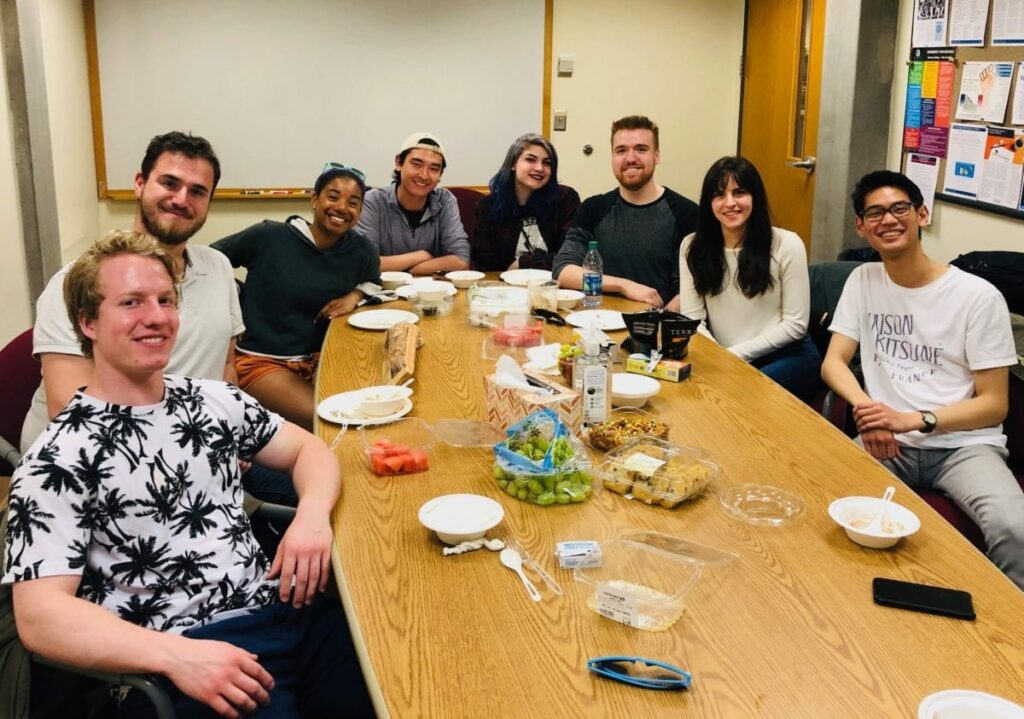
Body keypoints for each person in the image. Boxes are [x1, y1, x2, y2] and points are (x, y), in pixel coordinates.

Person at [2, 231, 373, 717]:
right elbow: (41, 618)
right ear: (88, 322)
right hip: (187, 653)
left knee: (404, 681)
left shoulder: (210, 401)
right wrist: (177, 657)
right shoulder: (58, 458)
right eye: (131, 302)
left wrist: (311, 517)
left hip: (285, 613)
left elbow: (311, 451)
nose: (155, 316)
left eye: (164, 300)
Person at [20, 131, 295, 506]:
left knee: (326, 492)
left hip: (196, 444)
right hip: (95, 475)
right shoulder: (76, 283)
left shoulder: (216, 268)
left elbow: (227, 366)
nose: (181, 199)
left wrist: (227, 432)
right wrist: (201, 448)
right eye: (169, 182)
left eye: (198, 191)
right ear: (139, 184)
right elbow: (72, 413)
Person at [822, 170, 1024, 590]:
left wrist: (913, 419)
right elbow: (834, 364)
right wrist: (871, 412)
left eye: (899, 208)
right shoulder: (863, 280)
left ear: (922, 215)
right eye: (874, 213)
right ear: (861, 226)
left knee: (1016, 528)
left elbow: (994, 404)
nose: (888, 220)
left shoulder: (977, 297)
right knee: (823, 498)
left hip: (963, 446)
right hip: (887, 441)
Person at [213, 163, 380, 432]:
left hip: (320, 357)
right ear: (314, 200)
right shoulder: (269, 236)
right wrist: (236, 305)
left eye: (353, 202)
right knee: (331, 420)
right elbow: (209, 262)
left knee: (375, 403)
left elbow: (374, 282)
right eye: (333, 196)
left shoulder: (362, 250)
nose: (341, 208)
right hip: (262, 360)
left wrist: (355, 294)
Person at [679, 156, 819, 400]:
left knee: (733, 397)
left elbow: (795, 326)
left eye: (740, 192)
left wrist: (731, 357)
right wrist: (720, 357)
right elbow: (693, 318)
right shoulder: (692, 246)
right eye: (719, 195)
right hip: (725, 355)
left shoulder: (787, 244)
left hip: (787, 355)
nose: (729, 203)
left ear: (755, 197)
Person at [551, 115, 698, 309]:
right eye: (621, 150)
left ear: (656, 156)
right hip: (598, 323)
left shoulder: (686, 213)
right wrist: (623, 286)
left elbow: (689, 290)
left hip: (658, 327)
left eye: (641, 149)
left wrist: (656, 328)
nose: (630, 158)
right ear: (612, 157)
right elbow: (562, 270)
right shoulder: (593, 209)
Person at [355, 132, 470, 275]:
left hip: (432, 291)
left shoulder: (445, 200)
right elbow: (363, 262)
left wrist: (409, 269)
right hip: (383, 292)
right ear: (398, 163)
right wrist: (421, 256)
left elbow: (461, 260)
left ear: (440, 175)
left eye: (434, 169)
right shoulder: (372, 202)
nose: (424, 175)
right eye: (416, 164)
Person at [471, 133, 580, 271]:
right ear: (512, 164)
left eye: (547, 163)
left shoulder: (565, 199)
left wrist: (523, 263)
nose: (540, 168)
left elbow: (572, 254)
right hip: (503, 287)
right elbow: (483, 264)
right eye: (530, 160)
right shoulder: (486, 207)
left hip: (554, 286)